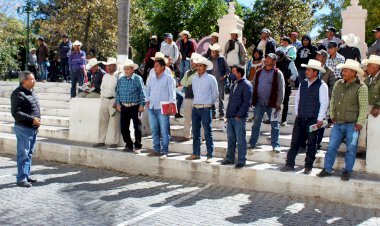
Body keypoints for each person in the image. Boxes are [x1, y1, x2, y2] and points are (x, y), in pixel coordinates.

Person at [318, 59, 368, 181]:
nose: (343, 73)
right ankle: (327, 169)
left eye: (345, 71)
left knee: (351, 149)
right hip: (338, 123)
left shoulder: (361, 87)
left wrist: (359, 123)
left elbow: (363, 107)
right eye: (343, 70)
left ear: (353, 72)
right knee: (331, 147)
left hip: (353, 125)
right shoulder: (338, 84)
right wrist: (332, 115)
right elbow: (333, 100)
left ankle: (347, 171)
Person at [280, 59, 329, 174]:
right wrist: (297, 113)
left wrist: (320, 119)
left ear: (315, 72)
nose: (306, 71)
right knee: (295, 142)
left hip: (313, 119)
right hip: (301, 117)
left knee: (312, 143)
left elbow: (324, 103)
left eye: (308, 70)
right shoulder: (303, 83)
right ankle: (289, 163)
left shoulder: (322, 86)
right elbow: (297, 99)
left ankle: (308, 166)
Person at [249, 53, 285, 153]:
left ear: (274, 61)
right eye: (266, 58)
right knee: (256, 124)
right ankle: (252, 143)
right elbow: (254, 85)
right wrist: (252, 99)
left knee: (275, 125)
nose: (267, 60)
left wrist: (279, 103)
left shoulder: (278, 73)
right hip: (259, 103)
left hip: (272, 104)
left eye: (270, 58)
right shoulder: (259, 72)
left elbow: (281, 89)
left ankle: (275, 145)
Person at [186, 57, 218, 163]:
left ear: (205, 67)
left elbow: (215, 94)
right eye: (198, 65)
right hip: (195, 108)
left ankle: (210, 155)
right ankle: (196, 153)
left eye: (201, 66)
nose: (199, 68)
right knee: (196, 132)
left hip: (205, 108)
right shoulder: (194, 79)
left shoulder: (211, 78)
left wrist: (208, 103)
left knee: (207, 132)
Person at [11, 71, 40, 187]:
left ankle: (26, 174)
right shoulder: (17, 94)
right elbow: (16, 113)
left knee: (29, 153)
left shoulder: (31, 92)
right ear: (24, 81)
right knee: (23, 153)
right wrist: (32, 119)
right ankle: (21, 178)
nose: (34, 81)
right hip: (24, 128)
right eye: (32, 79)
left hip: (33, 128)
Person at [221, 65, 253, 168]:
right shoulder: (234, 84)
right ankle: (230, 158)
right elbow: (230, 101)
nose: (231, 74)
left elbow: (246, 103)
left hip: (239, 117)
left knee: (240, 140)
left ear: (239, 73)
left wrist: (239, 115)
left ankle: (241, 160)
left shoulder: (246, 85)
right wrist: (227, 115)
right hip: (230, 116)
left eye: (234, 72)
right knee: (231, 139)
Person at [146, 55, 176, 159]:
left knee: (164, 131)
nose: (155, 68)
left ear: (163, 67)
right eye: (154, 66)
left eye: (157, 66)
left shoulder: (169, 78)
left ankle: (164, 151)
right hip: (152, 107)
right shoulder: (152, 78)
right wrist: (147, 101)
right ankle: (156, 149)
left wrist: (171, 104)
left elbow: (172, 92)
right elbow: (147, 90)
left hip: (163, 108)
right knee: (154, 130)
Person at [116, 59, 145, 154]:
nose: (126, 71)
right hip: (124, 106)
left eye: (128, 69)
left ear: (132, 69)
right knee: (123, 128)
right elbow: (118, 93)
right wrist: (118, 103)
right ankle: (128, 144)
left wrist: (142, 104)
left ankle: (137, 145)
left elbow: (142, 92)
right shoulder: (121, 80)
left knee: (137, 127)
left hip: (135, 106)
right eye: (125, 69)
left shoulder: (138, 79)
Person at [93, 57, 121, 148]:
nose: (108, 67)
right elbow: (102, 88)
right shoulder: (105, 76)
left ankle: (114, 142)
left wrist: (117, 101)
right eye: (108, 65)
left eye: (110, 65)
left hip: (113, 100)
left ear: (114, 66)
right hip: (104, 100)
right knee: (102, 121)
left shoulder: (119, 76)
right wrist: (102, 98)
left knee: (115, 122)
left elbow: (119, 90)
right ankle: (101, 140)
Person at [358, 55, 380, 152]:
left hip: (374, 105)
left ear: (376, 67)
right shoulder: (368, 79)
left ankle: (361, 145)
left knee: (362, 116)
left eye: (369, 65)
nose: (367, 68)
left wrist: (378, 106)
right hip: (367, 105)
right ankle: (360, 144)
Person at [315, 50, 336, 149]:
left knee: (321, 121)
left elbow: (333, 86)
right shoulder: (313, 68)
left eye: (319, 55)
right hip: (312, 100)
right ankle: (309, 140)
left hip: (323, 101)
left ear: (324, 57)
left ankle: (317, 141)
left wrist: (326, 95)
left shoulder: (329, 71)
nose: (317, 56)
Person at [180, 52, 202, 141]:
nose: (191, 63)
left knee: (197, 119)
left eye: (192, 61)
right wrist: (189, 82)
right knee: (187, 118)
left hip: (197, 98)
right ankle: (186, 135)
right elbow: (182, 82)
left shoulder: (199, 72)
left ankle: (199, 136)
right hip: (188, 97)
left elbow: (189, 82)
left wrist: (188, 82)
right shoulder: (188, 72)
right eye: (191, 61)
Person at [275, 49, 298, 126]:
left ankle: (283, 119)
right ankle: (273, 118)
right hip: (276, 84)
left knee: (285, 103)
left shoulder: (290, 62)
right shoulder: (275, 61)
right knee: (274, 102)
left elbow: (295, 73)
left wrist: (289, 79)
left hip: (286, 85)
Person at [208, 43, 231, 120]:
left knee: (221, 97)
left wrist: (224, 76)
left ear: (217, 52)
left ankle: (221, 113)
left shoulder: (222, 59)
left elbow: (228, 70)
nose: (213, 53)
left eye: (214, 51)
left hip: (220, 80)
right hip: (211, 80)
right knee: (211, 97)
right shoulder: (209, 60)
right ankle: (213, 113)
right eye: (212, 51)